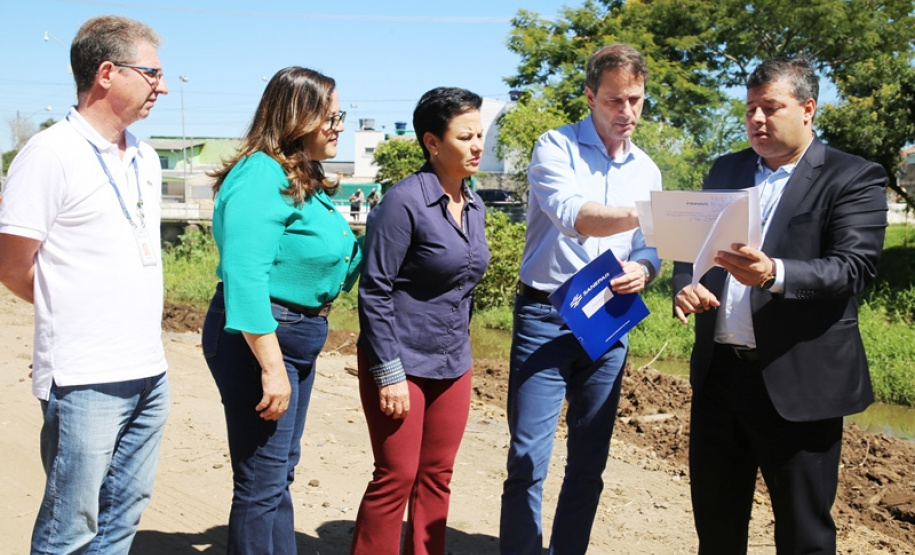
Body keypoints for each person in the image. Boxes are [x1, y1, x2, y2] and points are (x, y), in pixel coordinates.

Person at [672, 58, 888, 554]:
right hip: (719, 377)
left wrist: (775, 274)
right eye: (750, 109)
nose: (756, 119)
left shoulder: (851, 176)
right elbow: (691, 250)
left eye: (770, 107)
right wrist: (686, 284)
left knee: (803, 533)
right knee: (717, 526)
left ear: (808, 109)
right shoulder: (725, 169)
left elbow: (853, 267)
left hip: (799, 381)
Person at [0, 16, 170, 554]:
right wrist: (70, 311)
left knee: (123, 514)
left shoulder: (145, 156)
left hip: (149, 368)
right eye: (151, 73)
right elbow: (11, 265)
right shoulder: (50, 154)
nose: (161, 86)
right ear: (106, 73)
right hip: (85, 376)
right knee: (68, 529)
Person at [499, 43, 662, 554]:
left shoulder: (648, 170)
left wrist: (645, 267)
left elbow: (650, 250)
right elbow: (576, 217)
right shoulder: (555, 147)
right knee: (528, 459)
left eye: (635, 100)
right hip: (546, 315)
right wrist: (653, 213)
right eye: (615, 100)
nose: (627, 112)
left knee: (590, 462)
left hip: (609, 320)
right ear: (590, 97)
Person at [201, 66, 361, 554]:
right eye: (329, 116)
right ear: (298, 115)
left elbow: (327, 260)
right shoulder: (260, 174)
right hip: (263, 337)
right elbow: (244, 276)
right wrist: (272, 368)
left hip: (294, 334)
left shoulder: (297, 175)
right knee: (260, 481)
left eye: (341, 116)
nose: (338, 126)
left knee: (277, 472)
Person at [351, 87, 491, 555]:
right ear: (432, 142)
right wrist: (388, 373)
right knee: (397, 476)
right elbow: (374, 290)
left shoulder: (475, 205)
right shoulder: (402, 203)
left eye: (480, 135)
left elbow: (463, 287)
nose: (477, 145)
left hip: (453, 362)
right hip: (401, 363)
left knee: (437, 476)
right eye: (465, 136)